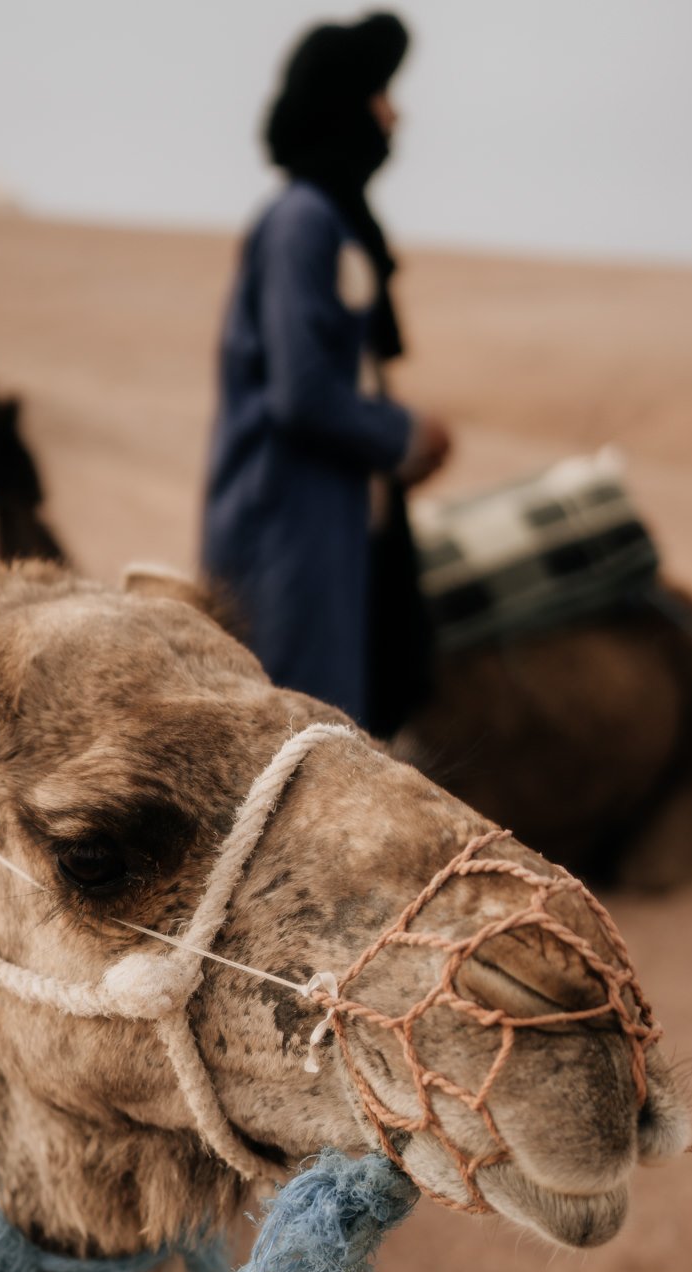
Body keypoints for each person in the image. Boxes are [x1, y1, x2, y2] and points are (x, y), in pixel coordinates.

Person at [201, 11, 451, 734]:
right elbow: (302, 391)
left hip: (332, 527)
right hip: (287, 533)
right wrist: (403, 434)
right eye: (380, 94)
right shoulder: (300, 223)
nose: (393, 115)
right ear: (346, 106)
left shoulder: (332, 221)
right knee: (299, 742)